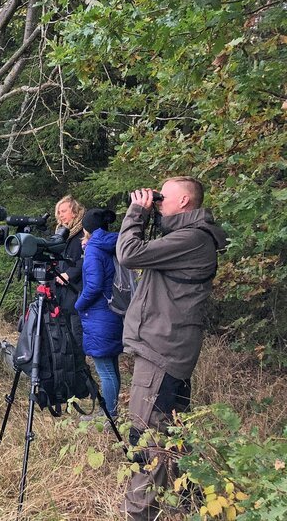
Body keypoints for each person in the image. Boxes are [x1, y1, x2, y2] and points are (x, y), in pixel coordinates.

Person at [117, 177, 227, 520]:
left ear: (183, 202)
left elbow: (128, 254)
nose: (158, 200)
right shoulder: (188, 237)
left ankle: (140, 513)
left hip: (162, 349)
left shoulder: (192, 239)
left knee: (144, 434)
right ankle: (189, 502)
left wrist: (136, 212)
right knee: (172, 430)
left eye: (164, 195)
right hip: (170, 345)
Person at [75, 208, 123, 419]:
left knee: (105, 371)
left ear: (86, 228)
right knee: (111, 366)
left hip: (98, 315)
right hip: (112, 312)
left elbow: (93, 286)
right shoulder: (111, 244)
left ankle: (109, 416)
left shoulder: (94, 249)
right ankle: (111, 412)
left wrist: (79, 304)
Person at [54, 195, 86, 344]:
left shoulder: (83, 232)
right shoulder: (60, 234)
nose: (61, 215)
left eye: (64, 211)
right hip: (61, 288)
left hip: (77, 287)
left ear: (74, 212)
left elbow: (87, 258)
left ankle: (80, 364)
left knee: (76, 329)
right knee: (64, 328)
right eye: (59, 212)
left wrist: (69, 274)